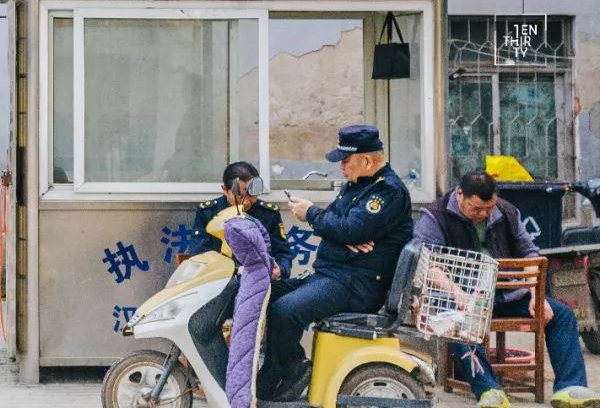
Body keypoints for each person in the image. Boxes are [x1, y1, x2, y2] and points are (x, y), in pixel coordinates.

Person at [414, 171, 600, 408]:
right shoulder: (435, 215)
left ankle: (570, 387)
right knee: (457, 323)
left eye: (488, 208)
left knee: (561, 315)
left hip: (509, 294)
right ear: (459, 195)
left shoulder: (506, 211)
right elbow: (428, 264)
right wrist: (458, 295)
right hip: (466, 300)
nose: (483, 214)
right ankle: (489, 390)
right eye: (476, 208)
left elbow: (530, 252)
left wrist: (537, 294)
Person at [257, 124, 413, 401]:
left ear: (366, 161)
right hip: (332, 275)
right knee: (265, 294)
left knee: (286, 310)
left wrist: (313, 214)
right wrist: (341, 233)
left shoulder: (387, 192)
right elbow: (342, 227)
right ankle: (272, 372)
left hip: (355, 284)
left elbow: (350, 228)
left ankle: (291, 370)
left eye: (345, 160)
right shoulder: (357, 186)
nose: (341, 166)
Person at [188, 161, 294, 389]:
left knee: (283, 311)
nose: (247, 201)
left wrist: (279, 270)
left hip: (259, 288)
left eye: (252, 195)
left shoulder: (268, 214)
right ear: (224, 190)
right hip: (220, 287)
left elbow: (284, 254)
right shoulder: (208, 212)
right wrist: (234, 270)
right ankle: (219, 378)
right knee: (201, 323)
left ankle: (269, 377)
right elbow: (199, 253)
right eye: (240, 195)